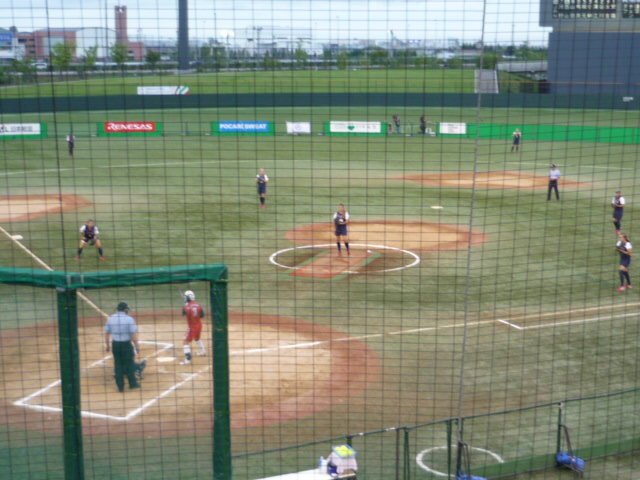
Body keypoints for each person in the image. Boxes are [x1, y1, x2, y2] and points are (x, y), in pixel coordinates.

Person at [104, 302, 143, 392]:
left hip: (115, 345)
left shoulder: (111, 319)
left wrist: (107, 345)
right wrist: (137, 347)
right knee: (129, 364)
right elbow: (133, 335)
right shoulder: (129, 319)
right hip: (126, 345)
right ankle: (132, 384)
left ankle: (120, 387)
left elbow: (106, 333)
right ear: (125, 310)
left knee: (118, 365)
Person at [180, 290, 206, 365]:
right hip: (199, 325)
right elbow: (202, 316)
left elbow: (183, 314)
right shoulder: (199, 305)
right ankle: (202, 352)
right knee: (197, 338)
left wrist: (186, 305)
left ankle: (187, 360)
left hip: (192, 327)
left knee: (185, 342)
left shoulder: (186, 307)